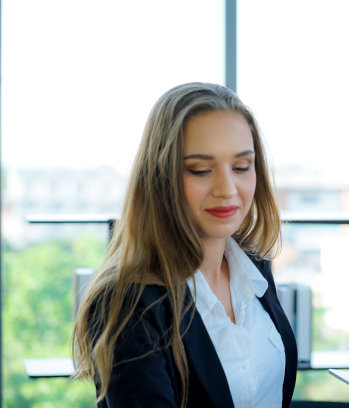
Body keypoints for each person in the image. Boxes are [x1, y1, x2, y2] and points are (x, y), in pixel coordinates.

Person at [72, 82, 297, 407]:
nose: (227, 188)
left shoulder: (254, 271)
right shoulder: (130, 303)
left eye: (241, 167)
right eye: (201, 170)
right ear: (160, 177)